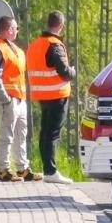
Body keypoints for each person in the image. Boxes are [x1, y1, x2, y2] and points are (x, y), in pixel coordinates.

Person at [25, 10, 76, 184]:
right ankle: (51, 171)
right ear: (61, 26)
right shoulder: (55, 45)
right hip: (57, 95)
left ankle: (48, 168)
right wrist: (73, 72)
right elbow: (64, 71)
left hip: (42, 94)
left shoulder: (35, 44)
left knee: (45, 132)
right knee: (52, 134)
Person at [0, 14, 30, 181]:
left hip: (19, 98)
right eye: (15, 28)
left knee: (21, 134)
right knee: (6, 135)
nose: (17, 30)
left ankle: (22, 168)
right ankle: (2, 170)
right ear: (9, 30)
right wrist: (5, 99)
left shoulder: (11, 47)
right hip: (8, 100)